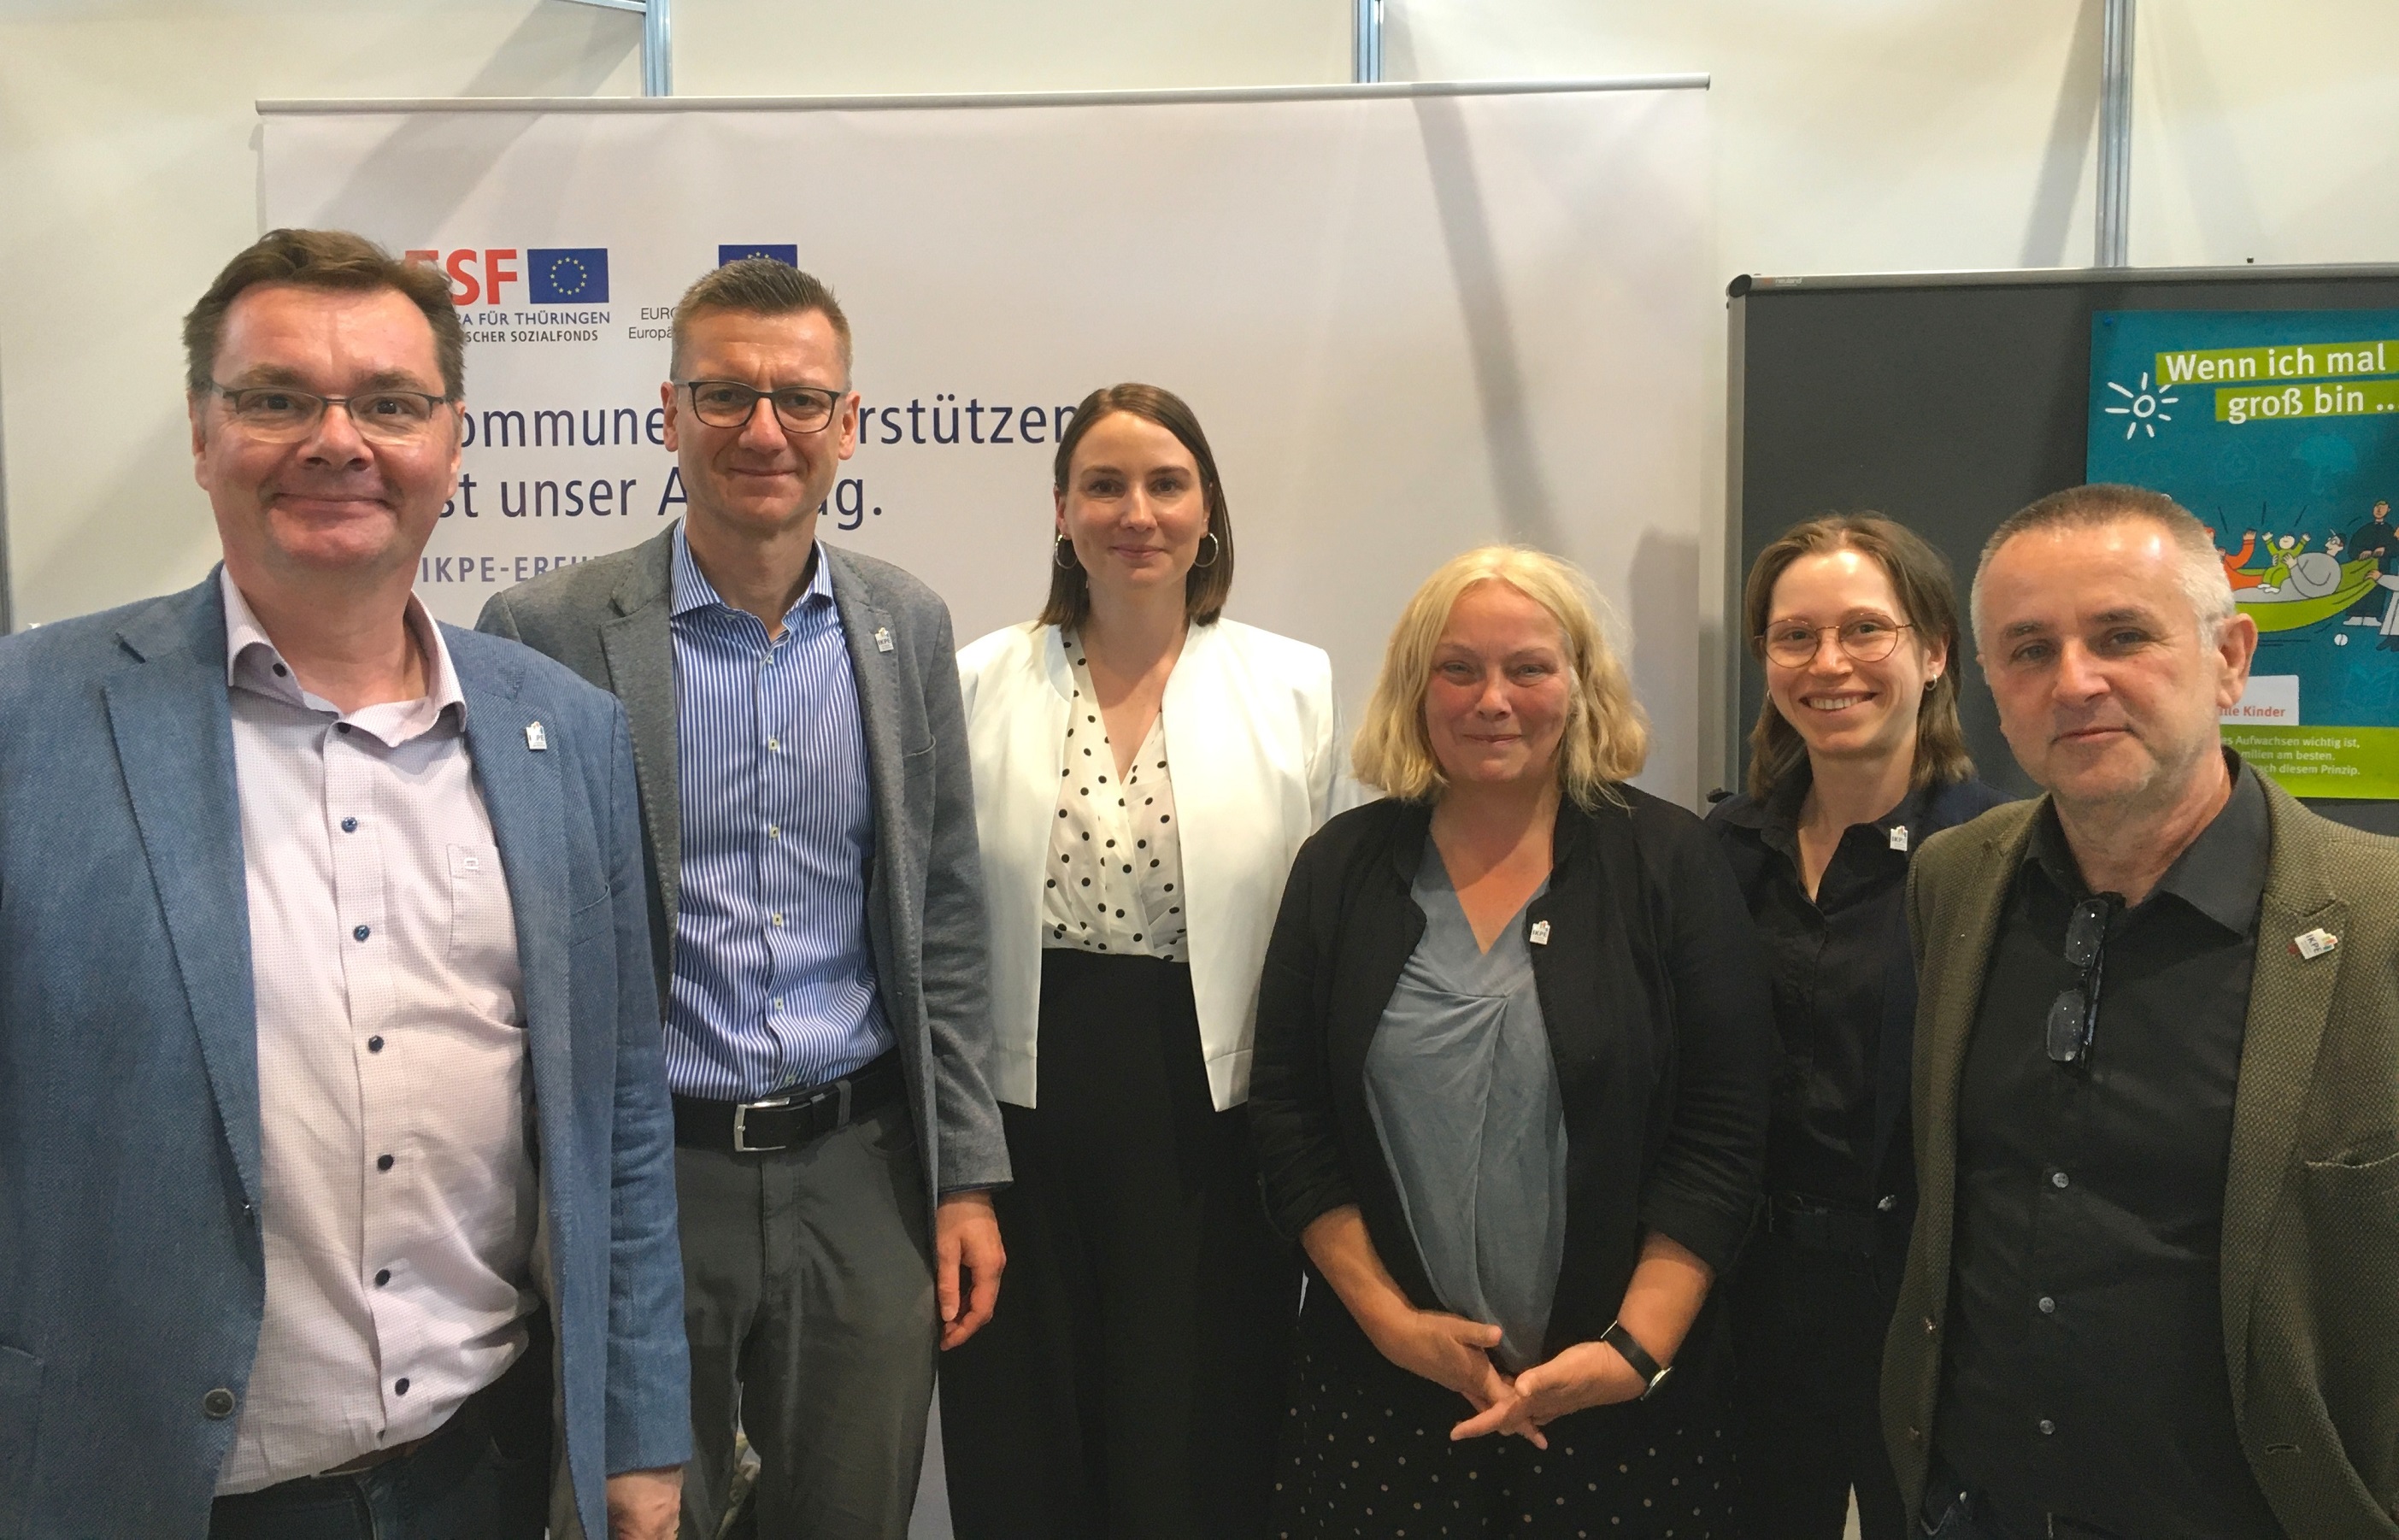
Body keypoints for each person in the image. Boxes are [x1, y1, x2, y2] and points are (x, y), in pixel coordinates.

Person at [0, 228, 687, 1538]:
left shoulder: (565, 731)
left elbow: (620, 1112)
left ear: (451, 439)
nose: (336, 440)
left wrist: (641, 1428)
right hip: (145, 1488)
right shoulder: (28, 721)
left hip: (479, 1475)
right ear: (202, 434)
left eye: (388, 403)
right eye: (276, 399)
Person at [478, 257, 1008, 1538]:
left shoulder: (904, 624)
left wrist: (965, 1176)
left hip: (861, 1171)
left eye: (799, 399)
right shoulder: (546, 630)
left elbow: (939, 916)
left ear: (848, 422)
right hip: (651, 1174)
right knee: (637, 1516)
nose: (763, 429)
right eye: (724, 394)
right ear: (669, 413)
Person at [1883, 483, 2399, 1539]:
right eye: (2028, 649)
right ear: (1989, 682)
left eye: (2121, 635)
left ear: (2229, 657)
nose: (2074, 680)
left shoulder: (2376, 921)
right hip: (1977, 1505)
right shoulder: (1953, 878)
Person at [1252, 546, 1772, 1538]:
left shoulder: (1669, 862)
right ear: (1415, 688)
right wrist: (1389, 1324)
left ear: (1578, 683)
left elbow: (1724, 1126)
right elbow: (1289, 1114)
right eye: (1457, 669)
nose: (1492, 699)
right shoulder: (1339, 868)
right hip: (1383, 1399)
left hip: (1622, 1407)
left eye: (1527, 667)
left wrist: (1634, 1349)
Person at [939, 383, 1344, 1537]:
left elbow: (1319, 932)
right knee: (1025, 1434)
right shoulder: (975, 680)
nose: (1136, 512)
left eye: (1166, 483)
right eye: (1103, 485)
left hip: (1215, 1121)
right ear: (1060, 510)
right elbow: (936, 927)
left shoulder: (1291, 685)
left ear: (1207, 508)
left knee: (1196, 1435)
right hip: (1018, 1115)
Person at [1707, 515, 2008, 1540]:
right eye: (1793, 635)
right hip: (1743, 1299)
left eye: (1864, 629)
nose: (1827, 662)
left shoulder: (2001, 860)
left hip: (1928, 1306)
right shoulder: (1714, 856)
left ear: (1933, 653)